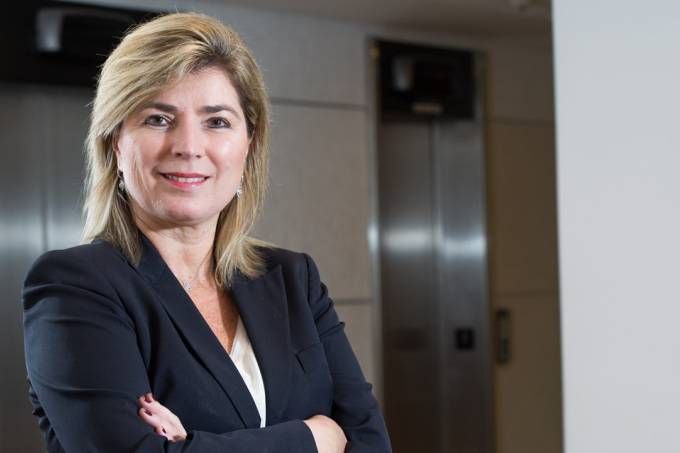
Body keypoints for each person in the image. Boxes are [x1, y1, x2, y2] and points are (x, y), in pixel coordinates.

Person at [22, 12, 391, 453]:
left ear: (249, 145)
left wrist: (193, 445)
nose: (188, 147)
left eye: (216, 122)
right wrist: (313, 437)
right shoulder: (75, 286)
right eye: (158, 119)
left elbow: (371, 443)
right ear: (116, 142)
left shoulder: (293, 279)